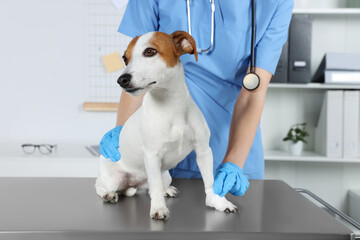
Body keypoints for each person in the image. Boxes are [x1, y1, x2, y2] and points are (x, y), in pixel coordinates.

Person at [100, 0, 294, 197]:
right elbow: (139, 69)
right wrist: (122, 134)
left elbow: (254, 90)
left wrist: (233, 164)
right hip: (160, 156)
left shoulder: (276, 3)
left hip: (233, 151)